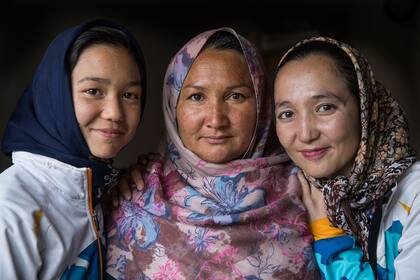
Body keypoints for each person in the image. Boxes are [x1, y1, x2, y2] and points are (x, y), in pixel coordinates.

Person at [106, 28, 318, 279]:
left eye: (235, 96)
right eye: (197, 97)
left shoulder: (309, 190)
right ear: (173, 105)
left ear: (261, 103)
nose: (216, 119)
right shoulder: (133, 197)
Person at [0, 19, 147, 279]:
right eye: (93, 91)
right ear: (55, 95)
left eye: (129, 95)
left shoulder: (101, 194)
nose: (114, 112)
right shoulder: (11, 211)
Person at [274, 36, 418, 279]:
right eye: (287, 114)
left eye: (325, 107)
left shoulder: (413, 194)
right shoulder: (280, 196)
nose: (306, 133)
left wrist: (330, 239)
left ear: (365, 106)